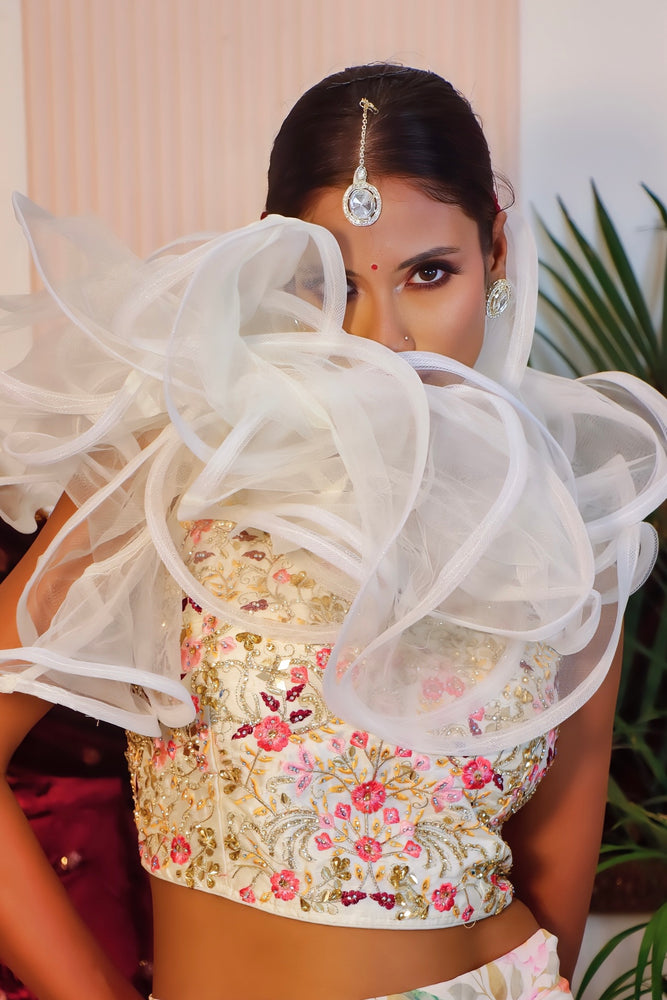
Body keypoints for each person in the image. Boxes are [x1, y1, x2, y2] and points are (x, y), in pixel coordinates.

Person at [1, 63, 666, 1000]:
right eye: (335, 283)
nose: (380, 336)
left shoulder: (567, 518)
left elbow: (556, 859)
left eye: (428, 273)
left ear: (494, 249)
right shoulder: (175, 471)